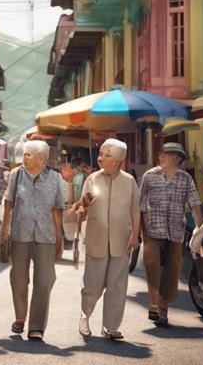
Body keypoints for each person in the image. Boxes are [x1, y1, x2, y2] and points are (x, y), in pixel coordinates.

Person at [74, 139, 140, 341]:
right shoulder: (92, 179)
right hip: (97, 238)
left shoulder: (129, 181)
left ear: (119, 160)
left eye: (106, 155)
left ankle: (110, 327)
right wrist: (82, 207)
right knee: (93, 285)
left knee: (117, 286)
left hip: (122, 239)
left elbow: (135, 210)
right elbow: (80, 208)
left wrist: (135, 236)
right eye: (100, 154)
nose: (101, 158)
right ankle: (85, 316)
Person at [0, 140, 66, 341]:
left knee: (44, 281)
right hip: (20, 233)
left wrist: (59, 238)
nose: (25, 157)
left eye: (29, 154)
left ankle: (36, 326)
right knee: (18, 279)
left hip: (46, 235)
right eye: (25, 154)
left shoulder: (55, 179)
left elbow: (58, 211)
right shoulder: (16, 175)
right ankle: (20, 317)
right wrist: (4, 229)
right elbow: (9, 203)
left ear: (42, 160)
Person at [139, 142, 203, 326]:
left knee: (170, 271)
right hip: (152, 228)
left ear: (176, 159)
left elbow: (195, 204)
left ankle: (163, 309)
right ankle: (153, 304)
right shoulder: (150, 176)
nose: (161, 156)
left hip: (176, 230)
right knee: (151, 263)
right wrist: (140, 230)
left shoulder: (185, 179)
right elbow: (141, 204)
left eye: (166, 155)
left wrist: (200, 230)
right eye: (161, 154)